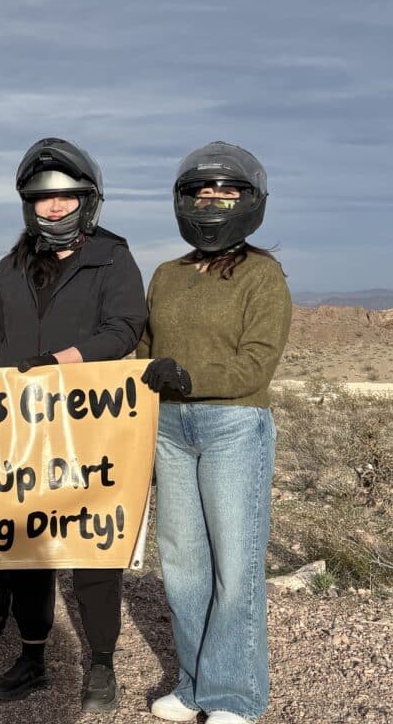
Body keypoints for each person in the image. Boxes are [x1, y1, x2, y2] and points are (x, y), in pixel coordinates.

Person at [0, 137, 147, 711]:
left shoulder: (113, 258)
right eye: (44, 199)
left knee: (93, 548)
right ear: (29, 204)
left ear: (86, 202)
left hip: (88, 428)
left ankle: (100, 664)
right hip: (18, 429)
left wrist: (62, 362)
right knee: (28, 546)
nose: (54, 207)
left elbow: (123, 329)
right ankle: (32, 655)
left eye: (66, 197)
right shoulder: (11, 265)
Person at [138, 142, 291, 724]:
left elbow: (257, 363)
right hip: (170, 428)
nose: (214, 201)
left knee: (236, 564)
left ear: (250, 201)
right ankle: (194, 685)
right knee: (182, 563)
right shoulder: (166, 275)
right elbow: (145, 353)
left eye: (227, 191)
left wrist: (189, 376)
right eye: (203, 191)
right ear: (184, 200)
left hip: (234, 424)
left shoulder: (263, 275)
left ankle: (235, 697)